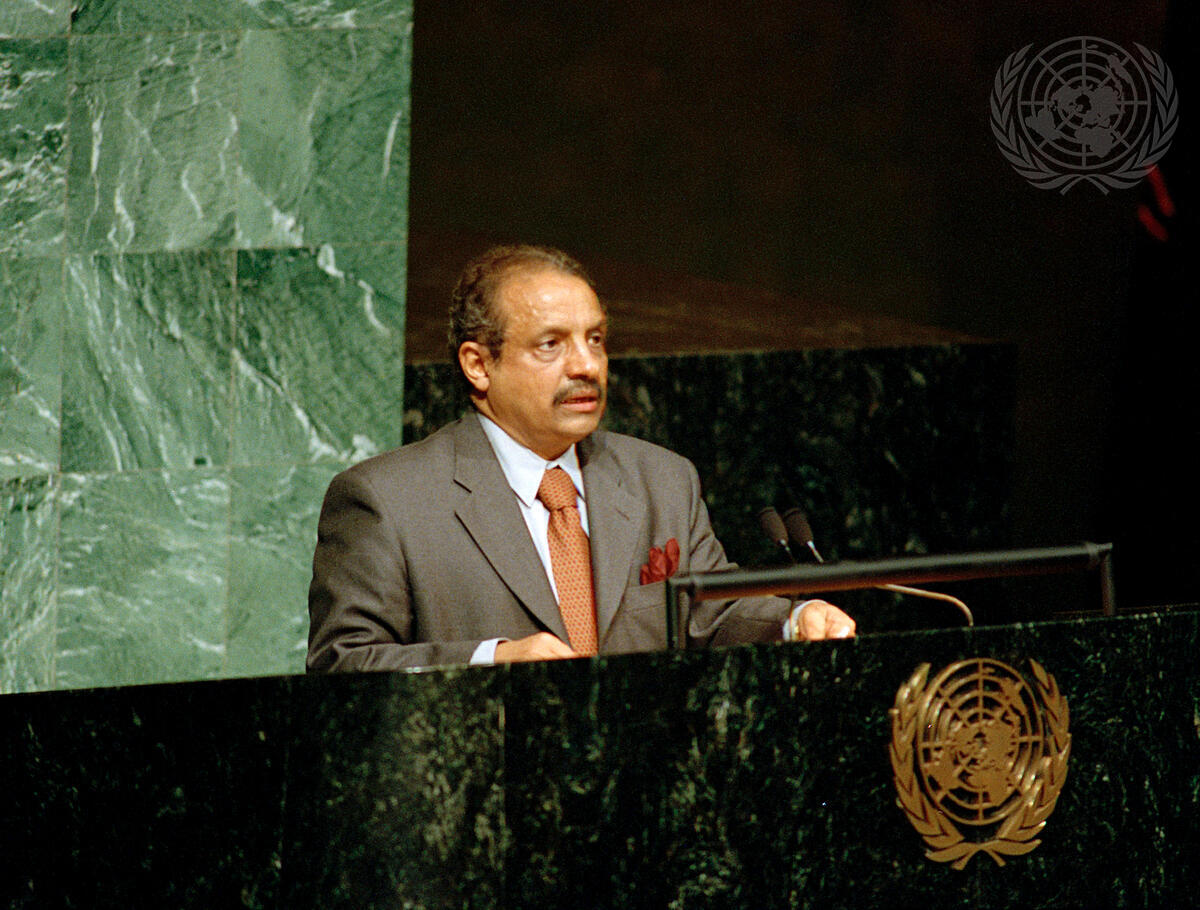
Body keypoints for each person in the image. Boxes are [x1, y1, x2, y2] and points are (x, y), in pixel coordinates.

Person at [307, 245, 854, 671]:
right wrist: (493, 660)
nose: (586, 365)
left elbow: (711, 614)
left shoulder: (661, 479)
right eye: (551, 344)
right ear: (478, 365)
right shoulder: (388, 500)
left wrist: (795, 621)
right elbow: (344, 662)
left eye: (595, 339)